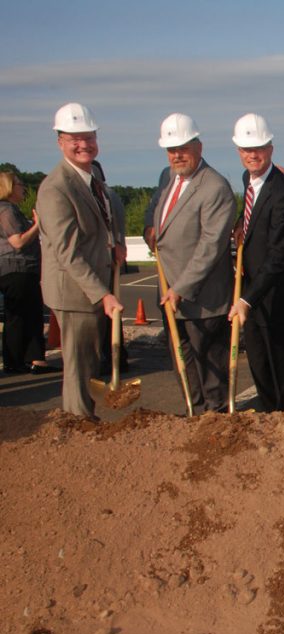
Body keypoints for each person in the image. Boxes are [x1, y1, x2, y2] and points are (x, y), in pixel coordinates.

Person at [36, 102, 126, 418]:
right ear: (60, 142)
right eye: (74, 138)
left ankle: (84, 419)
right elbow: (67, 251)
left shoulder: (91, 180)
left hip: (92, 286)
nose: (83, 144)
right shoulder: (56, 188)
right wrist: (102, 294)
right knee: (79, 366)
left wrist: (115, 244)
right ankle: (77, 423)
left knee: (89, 360)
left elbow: (102, 224)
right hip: (75, 292)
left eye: (88, 137)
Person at [143, 113, 235, 414]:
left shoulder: (214, 187)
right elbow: (157, 217)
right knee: (183, 362)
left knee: (210, 368)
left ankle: (215, 422)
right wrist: (150, 231)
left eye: (183, 147)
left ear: (199, 146)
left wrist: (181, 288)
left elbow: (211, 244)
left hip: (203, 298)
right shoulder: (169, 179)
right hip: (170, 293)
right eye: (171, 149)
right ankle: (193, 413)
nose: (177, 155)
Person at [226, 113, 284, 411]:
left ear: (270, 149)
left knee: (281, 365)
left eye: (258, 148)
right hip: (254, 292)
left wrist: (247, 299)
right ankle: (271, 414)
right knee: (259, 362)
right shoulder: (250, 181)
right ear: (238, 152)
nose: (252, 155)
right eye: (246, 150)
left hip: (277, 297)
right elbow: (250, 221)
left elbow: (279, 255)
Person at [0, 172, 53, 374]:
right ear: (9, 187)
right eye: (20, 185)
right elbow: (18, 241)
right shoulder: (7, 211)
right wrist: (38, 225)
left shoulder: (9, 210)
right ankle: (17, 361)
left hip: (17, 269)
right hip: (18, 269)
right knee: (21, 316)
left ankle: (32, 359)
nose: (24, 189)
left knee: (25, 315)